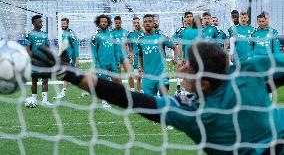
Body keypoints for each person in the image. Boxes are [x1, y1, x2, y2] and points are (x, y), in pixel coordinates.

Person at [32, 42, 284, 155]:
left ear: (204, 83)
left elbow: (129, 99)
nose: (181, 66)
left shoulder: (196, 115)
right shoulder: (249, 71)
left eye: (188, 66)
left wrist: (72, 75)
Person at [137, 14, 178, 96]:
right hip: (147, 76)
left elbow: (174, 47)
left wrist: (175, 58)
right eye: (145, 22)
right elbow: (140, 55)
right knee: (150, 103)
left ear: (153, 23)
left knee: (164, 96)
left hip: (161, 74)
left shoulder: (161, 36)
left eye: (150, 21)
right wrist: (140, 67)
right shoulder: (140, 39)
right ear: (143, 24)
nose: (147, 23)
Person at [91, 14, 120, 107]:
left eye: (105, 22)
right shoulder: (96, 35)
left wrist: (117, 60)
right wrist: (97, 63)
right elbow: (94, 51)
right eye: (102, 22)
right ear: (98, 23)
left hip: (112, 62)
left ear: (108, 23)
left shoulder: (112, 34)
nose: (104, 23)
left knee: (116, 80)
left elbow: (116, 48)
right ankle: (104, 101)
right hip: (102, 63)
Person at [24, 15, 52, 106]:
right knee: (34, 81)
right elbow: (27, 48)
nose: (41, 23)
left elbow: (48, 47)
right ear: (34, 23)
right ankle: (34, 100)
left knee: (45, 80)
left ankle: (44, 101)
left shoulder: (44, 34)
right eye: (39, 22)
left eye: (42, 22)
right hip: (34, 62)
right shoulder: (30, 34)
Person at [54, 17, 80, 99]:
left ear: (68, 24)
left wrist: (77, 59)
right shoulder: (64, 33)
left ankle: (62, 93)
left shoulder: (71, 34)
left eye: (64, 24)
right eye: (62, 24)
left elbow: (75, 46)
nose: (63, 25)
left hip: (70, 58)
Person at [112, 16, 134, 90]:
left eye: (119, 23)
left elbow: (129, 45)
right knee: (118, 76)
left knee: (129, 74)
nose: (117, 24)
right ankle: (121, 92)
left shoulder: (125, 32)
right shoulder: (111, 33)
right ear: (114, 23)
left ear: (121, 22)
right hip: (116, 57)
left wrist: (131, 56)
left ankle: (132, 90)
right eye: (116, 23)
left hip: (125, 56)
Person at [127, 16, 143, 92]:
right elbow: (129, 47)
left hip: (146, 58)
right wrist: (131, 56)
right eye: (134, 23)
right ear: (133, 24)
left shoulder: (145, 33)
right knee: (138, 77)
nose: (136, 24)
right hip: (136, 59)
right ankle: (140, 93)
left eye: (137, 22)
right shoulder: (130, 35)